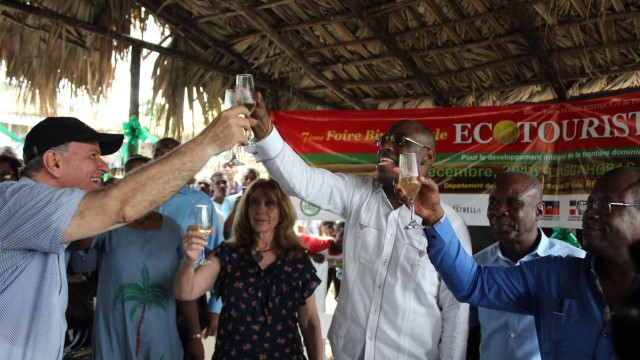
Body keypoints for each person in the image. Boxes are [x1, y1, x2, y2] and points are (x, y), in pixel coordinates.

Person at [0, 111, 252, 360]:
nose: (104, 166)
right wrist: (208, 142)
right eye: (93, 155)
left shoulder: (38, 215)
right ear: (54, 162)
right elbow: (123, 207)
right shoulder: (16, 202)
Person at [247, 95, 473, 359]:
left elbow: (457, 309)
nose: (386, 146)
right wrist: (264, 131)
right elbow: (300, 181)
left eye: (399, 141)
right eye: (383, 141)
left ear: (428, 156)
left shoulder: (449, 226)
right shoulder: (357, 195)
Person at [410, 166, 640, 359]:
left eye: (603, 206)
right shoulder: (554, 275)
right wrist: (434, 218)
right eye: (589, 205)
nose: (589, 214)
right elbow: (472, 284)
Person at [173, 179, 323, 359]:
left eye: (270, 203)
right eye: (254, 202)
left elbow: (310, 323)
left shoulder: (297, 261)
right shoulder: (227, 255)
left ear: (282, 212)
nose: (260, 209)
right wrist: (189, 259)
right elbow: (185, 293)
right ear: (246, 210)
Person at [89, 155, 203, 359]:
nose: (139, 182)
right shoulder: (106, 225)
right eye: (132, 176)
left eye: (145, 175)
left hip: (160, 336)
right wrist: (98, 203)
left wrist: (194, 335)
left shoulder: (171, 229)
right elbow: (80, 251)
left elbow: (183, 286)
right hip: (115, 333)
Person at [467, 171, 585, 360]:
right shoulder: (478, 265)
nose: (500, 211)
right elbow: (471, 331)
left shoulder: (574, 263)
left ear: (539, 211)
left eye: (513, 203)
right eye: (494, 203)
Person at [152, 138, 225, 342]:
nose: (166, 162)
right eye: (159, 156)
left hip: (187, 299)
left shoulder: (199, 203)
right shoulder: (141, 200)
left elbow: (216, 254)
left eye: (172, 156)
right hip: (143, 292)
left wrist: (215, 306)